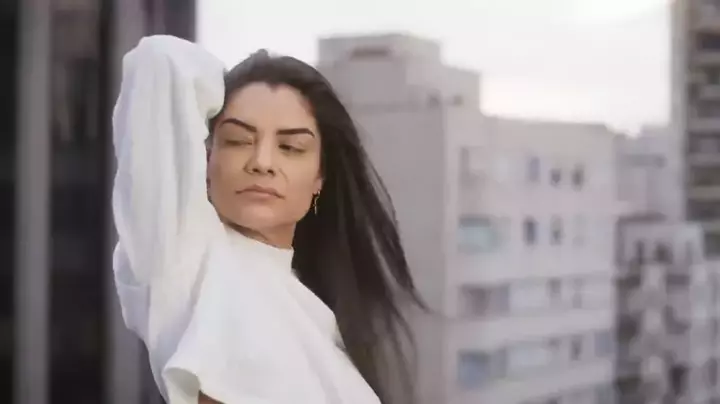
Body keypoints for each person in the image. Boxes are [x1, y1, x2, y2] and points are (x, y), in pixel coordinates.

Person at [112, 35, 423, 404]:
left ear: (320, 177)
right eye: (237, 140)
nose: (262, 162)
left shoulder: (319, 318)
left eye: (291, 147)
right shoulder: (184, 254)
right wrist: (235, 80)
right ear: (207, 159)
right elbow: (159, 60)